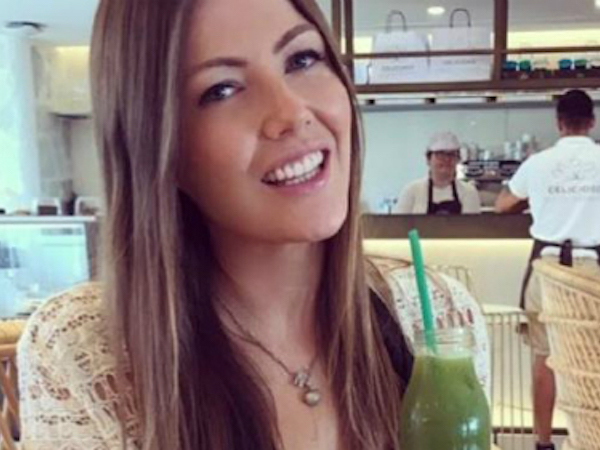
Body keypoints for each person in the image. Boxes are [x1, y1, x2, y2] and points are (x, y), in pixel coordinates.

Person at [17, 0, 414, 449]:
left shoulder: (430, 315)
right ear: (159, 149)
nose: (291, 113)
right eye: (222, 90)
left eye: (302, 59)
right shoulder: (81, 353)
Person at [495, 89, 600, 450]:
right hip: (591, 273)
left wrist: (539, 202)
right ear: (591, 122)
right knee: (593, 360)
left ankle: (542, 442)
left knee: (545, 358)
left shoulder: (538, 163)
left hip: (548, 269)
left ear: (558, 123)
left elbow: (502, 204)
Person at [395, 131, 482, 215]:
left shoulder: (469, 192)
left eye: (451, 155)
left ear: (458, 159)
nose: (446, 159)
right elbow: (398, 224)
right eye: (440, 154)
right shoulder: (411, 191)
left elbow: (472, 225)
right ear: (428, 159)